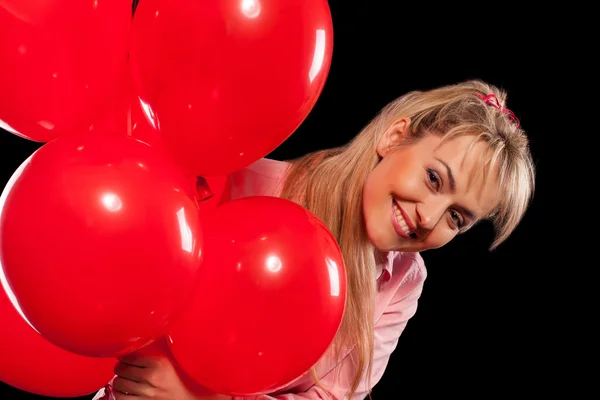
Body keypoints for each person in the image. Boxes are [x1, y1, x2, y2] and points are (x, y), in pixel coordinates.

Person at [95, 79, 536, 400]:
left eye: (457, 218)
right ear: (395, 136)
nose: (428, 216)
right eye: (434, 178)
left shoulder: (401, 283)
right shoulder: (246, 184)